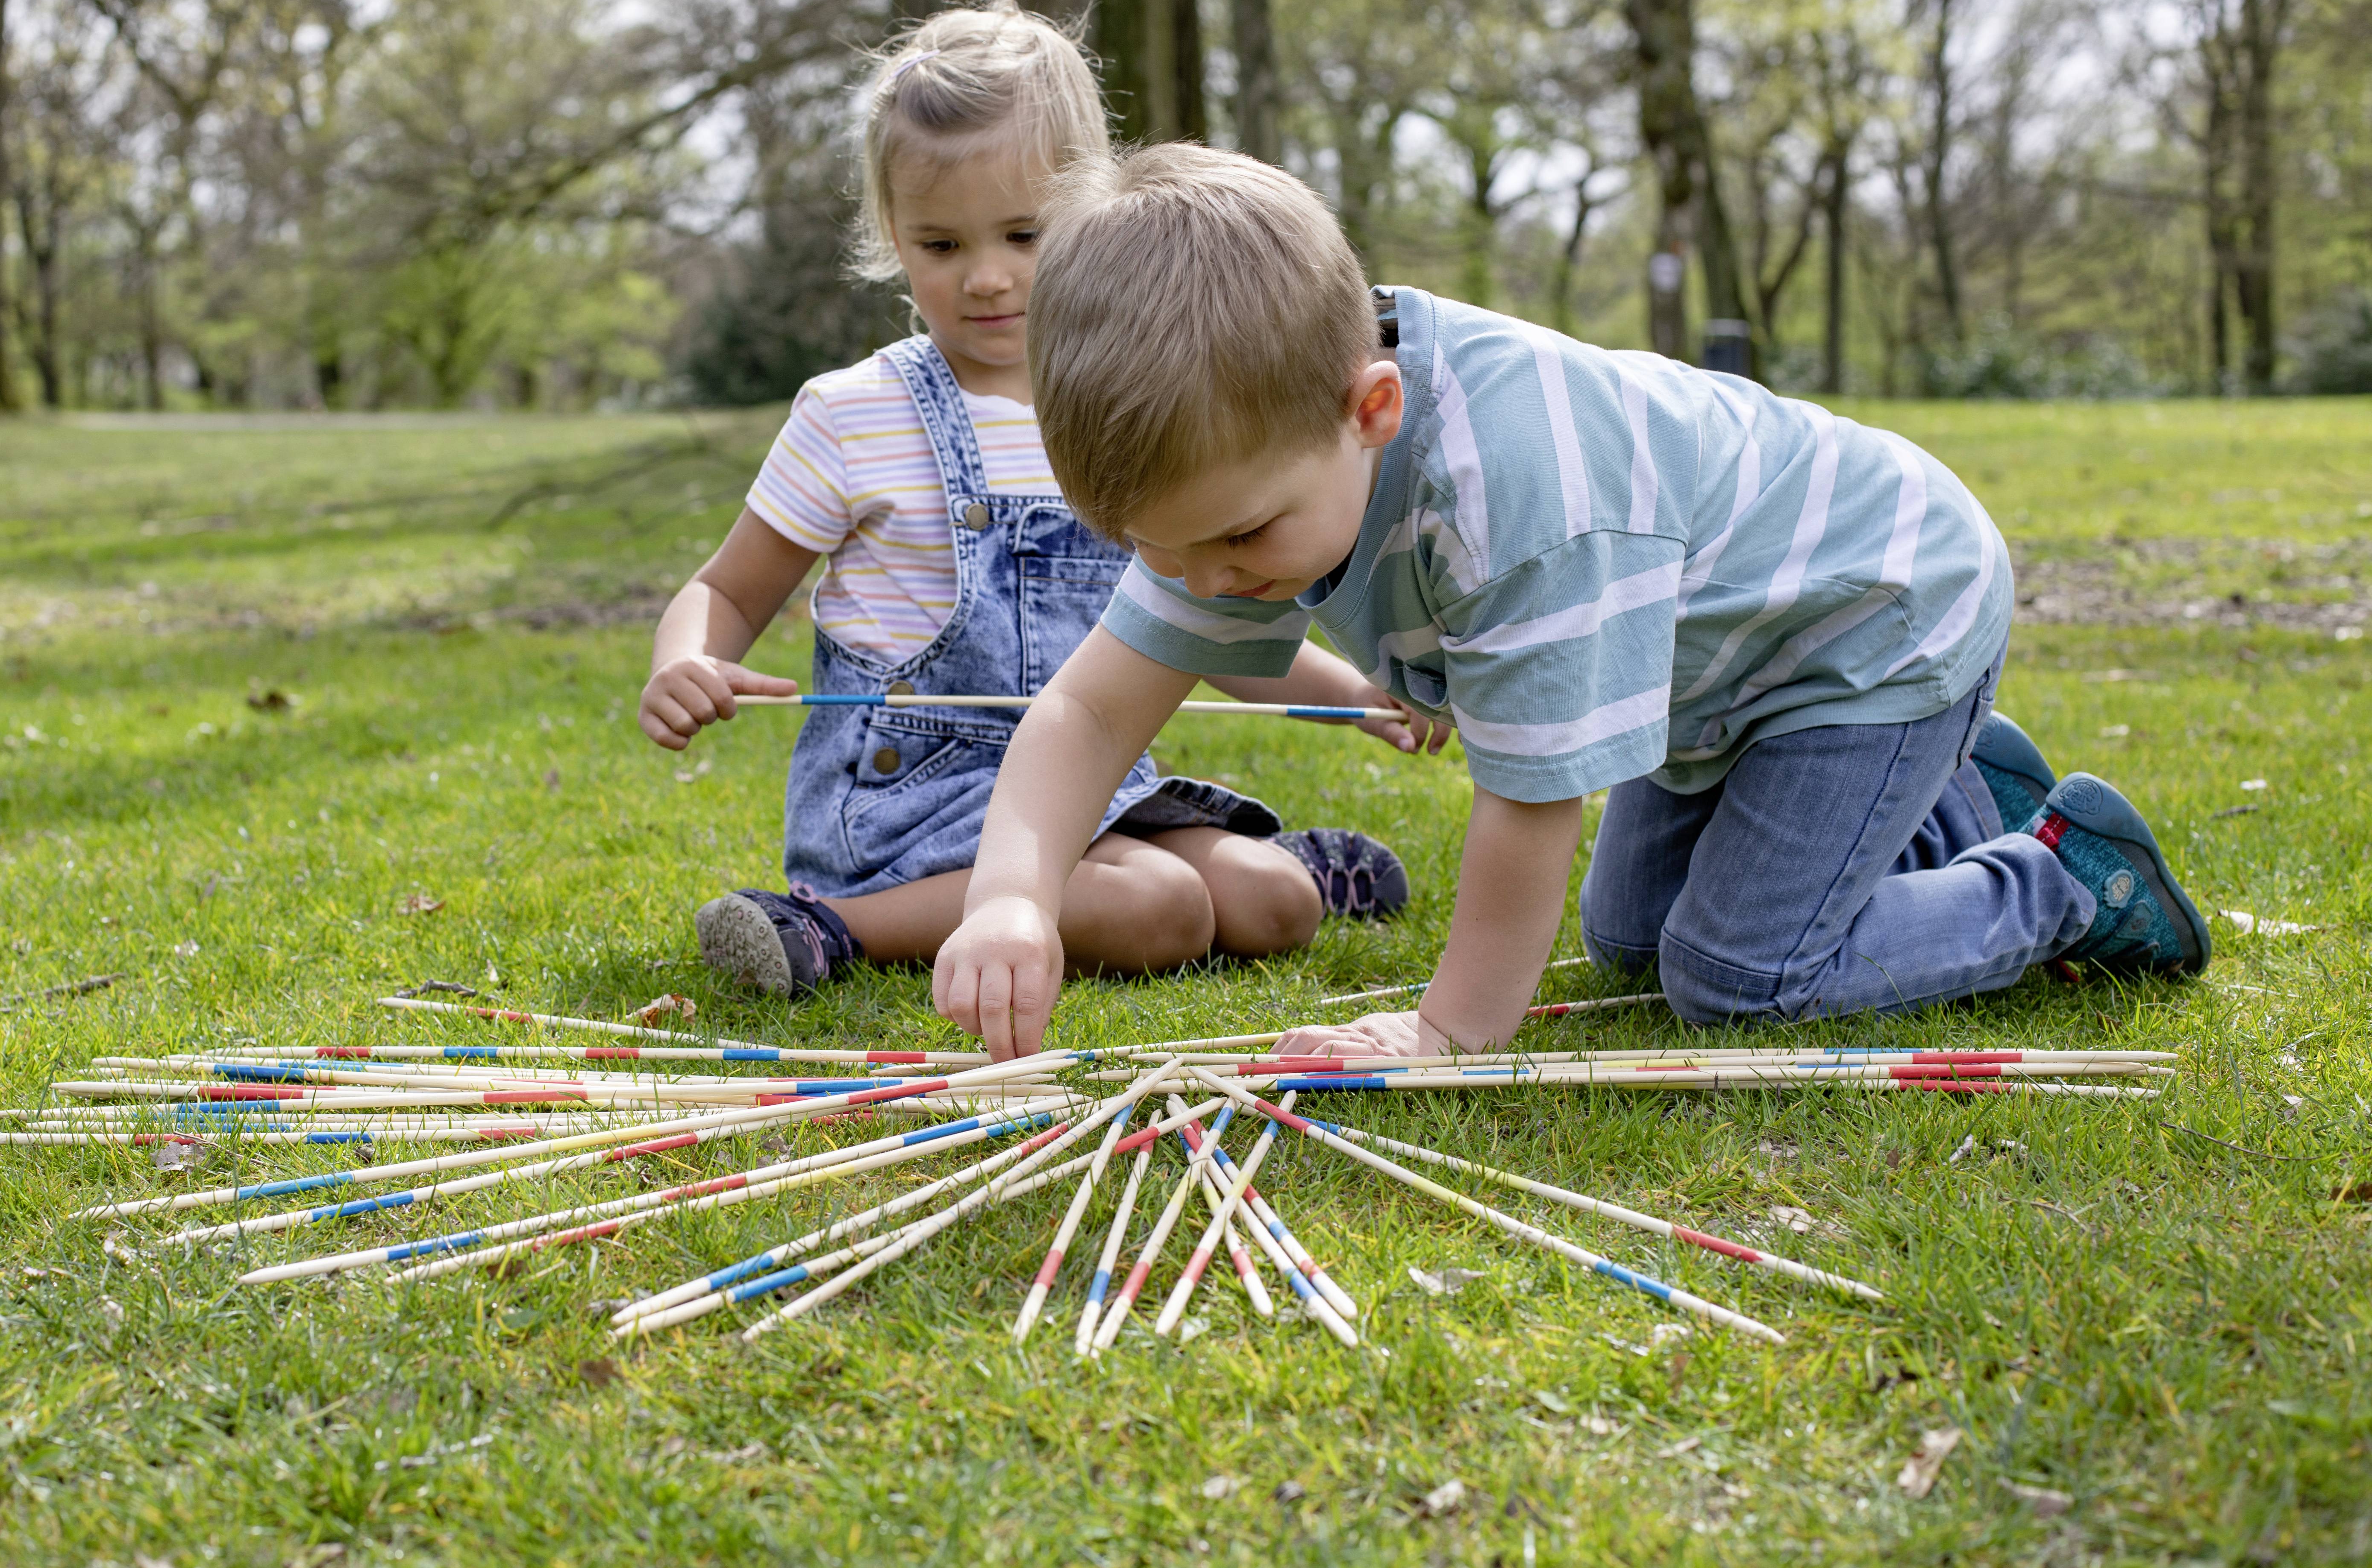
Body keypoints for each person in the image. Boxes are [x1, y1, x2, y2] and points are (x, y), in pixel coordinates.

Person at [929, 143, 2207, 1058]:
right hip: (1717, 667)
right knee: (1633, 941)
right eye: (1164, 550)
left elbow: (1535, 795)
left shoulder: (1514, 503)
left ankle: (2067, 879)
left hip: (1875, 622)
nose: (1209, 581)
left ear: (1371, 409)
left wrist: (1453, 1029)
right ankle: (1948, 795)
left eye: (1239, 540)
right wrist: (1007, 895)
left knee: (1736, 981)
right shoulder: (1238, 461)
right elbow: (1090, 717)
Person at [638, 0, 1438, 998]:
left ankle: (1292, 866)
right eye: (940, 245)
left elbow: (1194, 617)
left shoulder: (1139, 413)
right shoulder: (855, 414)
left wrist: (1355, 696)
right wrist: (688, 658)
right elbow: (728, 588)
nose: (987, 278)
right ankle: (829, 925)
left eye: (1024, 234)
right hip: (909, 805)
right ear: (892, 234)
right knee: (1160, 909)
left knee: (1274, 901)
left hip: (1090, 787)